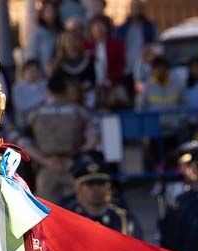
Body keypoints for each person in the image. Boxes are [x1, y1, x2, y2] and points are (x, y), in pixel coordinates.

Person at [19, 72, 99, 202]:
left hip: (46, 169)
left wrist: (45, 161)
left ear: (48, 90)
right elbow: (93, 139)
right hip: (73, 168)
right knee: (75, 212)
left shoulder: (36, 113)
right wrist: (76, 159)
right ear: (66, 90)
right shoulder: (79, 112)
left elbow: (24, 143)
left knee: (47, 214)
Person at [86, 15, 127, 107]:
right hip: (92, 87)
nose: (98, 29)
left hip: (113, 85)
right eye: (95, 26)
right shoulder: (86, 46)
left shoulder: (116, 45)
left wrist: (108, 82)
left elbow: (121, 66)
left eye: (101, 26)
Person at [114, 0, 158, 84]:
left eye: (138, 7)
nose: (136, 10)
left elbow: (156, 45)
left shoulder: (150, 27)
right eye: (134, 7)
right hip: (127, 68)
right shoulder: (121, 29)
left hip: (145, 68)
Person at [13, 59, 50, 134]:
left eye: (35, 71)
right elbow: (21, 106)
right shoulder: (17, 87)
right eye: (29, 71)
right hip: (25, 121)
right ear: (23, 73)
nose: (32, 74)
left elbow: (49, 102)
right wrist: (41, 100)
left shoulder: (46, 84)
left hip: (45, 118)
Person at [31, 1, 62, 72]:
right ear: (42, 13)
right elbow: (34, 52)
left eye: (52, 10)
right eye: (48, 10)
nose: (51, 13)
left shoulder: (59, 31)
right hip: (43, 71)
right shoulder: (38, 32)